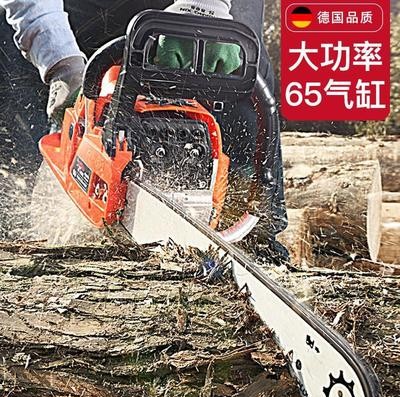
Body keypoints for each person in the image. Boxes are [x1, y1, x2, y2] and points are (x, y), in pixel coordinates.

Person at [0, 0, 289, 262]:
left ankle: (257, 238)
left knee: (240, 54)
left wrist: (203, 9)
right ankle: (13, 238)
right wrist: (61, 64)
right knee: (8, 45)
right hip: (74, 11)